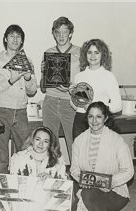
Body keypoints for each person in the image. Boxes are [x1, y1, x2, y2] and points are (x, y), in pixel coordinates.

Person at [70, 101, 134, 211]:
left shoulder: (117, 141)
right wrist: (82, 180)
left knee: (88, 193)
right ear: (86, 118)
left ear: (105, 118)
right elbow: (74, 169)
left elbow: (128, 171)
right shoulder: (79, 140)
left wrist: (108, 182)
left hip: (114, 193)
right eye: (91, 116)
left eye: (98, 117)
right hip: (89, 189)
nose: (94, 121)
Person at [7, 126, 69, 211]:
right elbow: (12, 189)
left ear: (50, 144)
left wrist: (51, 180)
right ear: (32, 140)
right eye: (38, 139)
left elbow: (64, 189)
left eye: (45, 141)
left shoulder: (58, 159)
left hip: (46, 209)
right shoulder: (18, 158)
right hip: (23, 208)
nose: (41, 144)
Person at [0, 24, 37, 173]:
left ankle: (22, 187)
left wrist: (28, 78)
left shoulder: (27, 60)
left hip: (21, 111)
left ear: (22, 40)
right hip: (0, 111)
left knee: (25, 151)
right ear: (5, 38)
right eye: (12, 36)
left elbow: (32, 91)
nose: (15, 39)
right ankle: (2, 189)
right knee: (1, 155)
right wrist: (11, 80)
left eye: (18, 36)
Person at [40, 16, 80, 160]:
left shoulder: (80, 53)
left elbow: (85, 85)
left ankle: (76, 177)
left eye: (65, 32)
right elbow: (43, 88)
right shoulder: (48, 53)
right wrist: (44, 74)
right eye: (58, 32)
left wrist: (70, 86)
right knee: (49, 142)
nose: (61, 36)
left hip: (70, 103)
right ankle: (51, 174)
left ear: (70, 33)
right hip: (50, 101)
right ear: (54, 34)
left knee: (74, 142)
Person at [69, 39, 122, 140]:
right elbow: (75, 107)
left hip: (98, 122)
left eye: (96, 52)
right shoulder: (79, 76)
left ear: (103, 55)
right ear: (85, 55)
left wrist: (97, 109)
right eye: (89, 52)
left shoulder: (108, 76)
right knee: (79, 154)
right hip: (80, 121)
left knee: (98, 154)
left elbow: (118, 105)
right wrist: (73, 96)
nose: (92, 56)